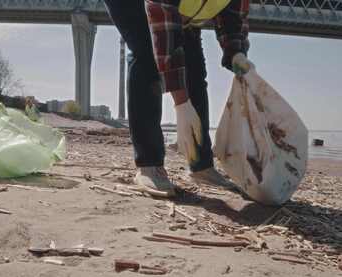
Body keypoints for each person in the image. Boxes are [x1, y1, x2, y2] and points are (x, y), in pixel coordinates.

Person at [103, 0, 254, 197]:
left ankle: (201, 165)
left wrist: (236, 52)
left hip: (180, 10)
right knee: (147, 53)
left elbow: (233, 15)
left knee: (194, 67)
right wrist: (181, 104)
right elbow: (164, 33)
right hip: (135, 5)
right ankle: (149, 165)